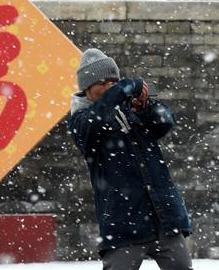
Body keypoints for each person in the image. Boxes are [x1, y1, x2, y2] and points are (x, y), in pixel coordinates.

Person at [68, 48, 192, 270]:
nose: (109, 87)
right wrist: (123, 88)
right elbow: (97, 117)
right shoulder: (81, 120)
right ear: (87, 88)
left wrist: (146, 107)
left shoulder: (127, 109)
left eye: (113, 82)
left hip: (163, 217)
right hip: (122, 225)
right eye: (102, 83)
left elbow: (165, 121)